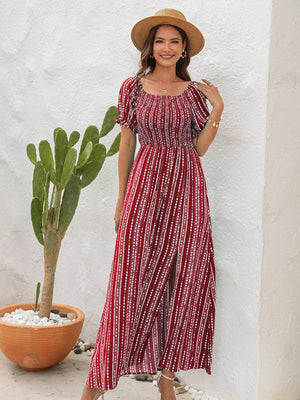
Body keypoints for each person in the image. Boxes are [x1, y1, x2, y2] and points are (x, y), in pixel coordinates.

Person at [80, 8, 224, 400]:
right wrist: (121, 201)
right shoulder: (133, 88)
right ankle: (97, 382)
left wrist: (218, 111)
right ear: (150, 46)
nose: (166, 47)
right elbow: (127, 144)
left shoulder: (195, 94)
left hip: (187, 190)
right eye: (160, 40)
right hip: (144, 188)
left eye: (174, 41)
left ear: (184, 51)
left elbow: (197, 150)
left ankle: (166, 379)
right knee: (130, 280)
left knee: (182, 279)